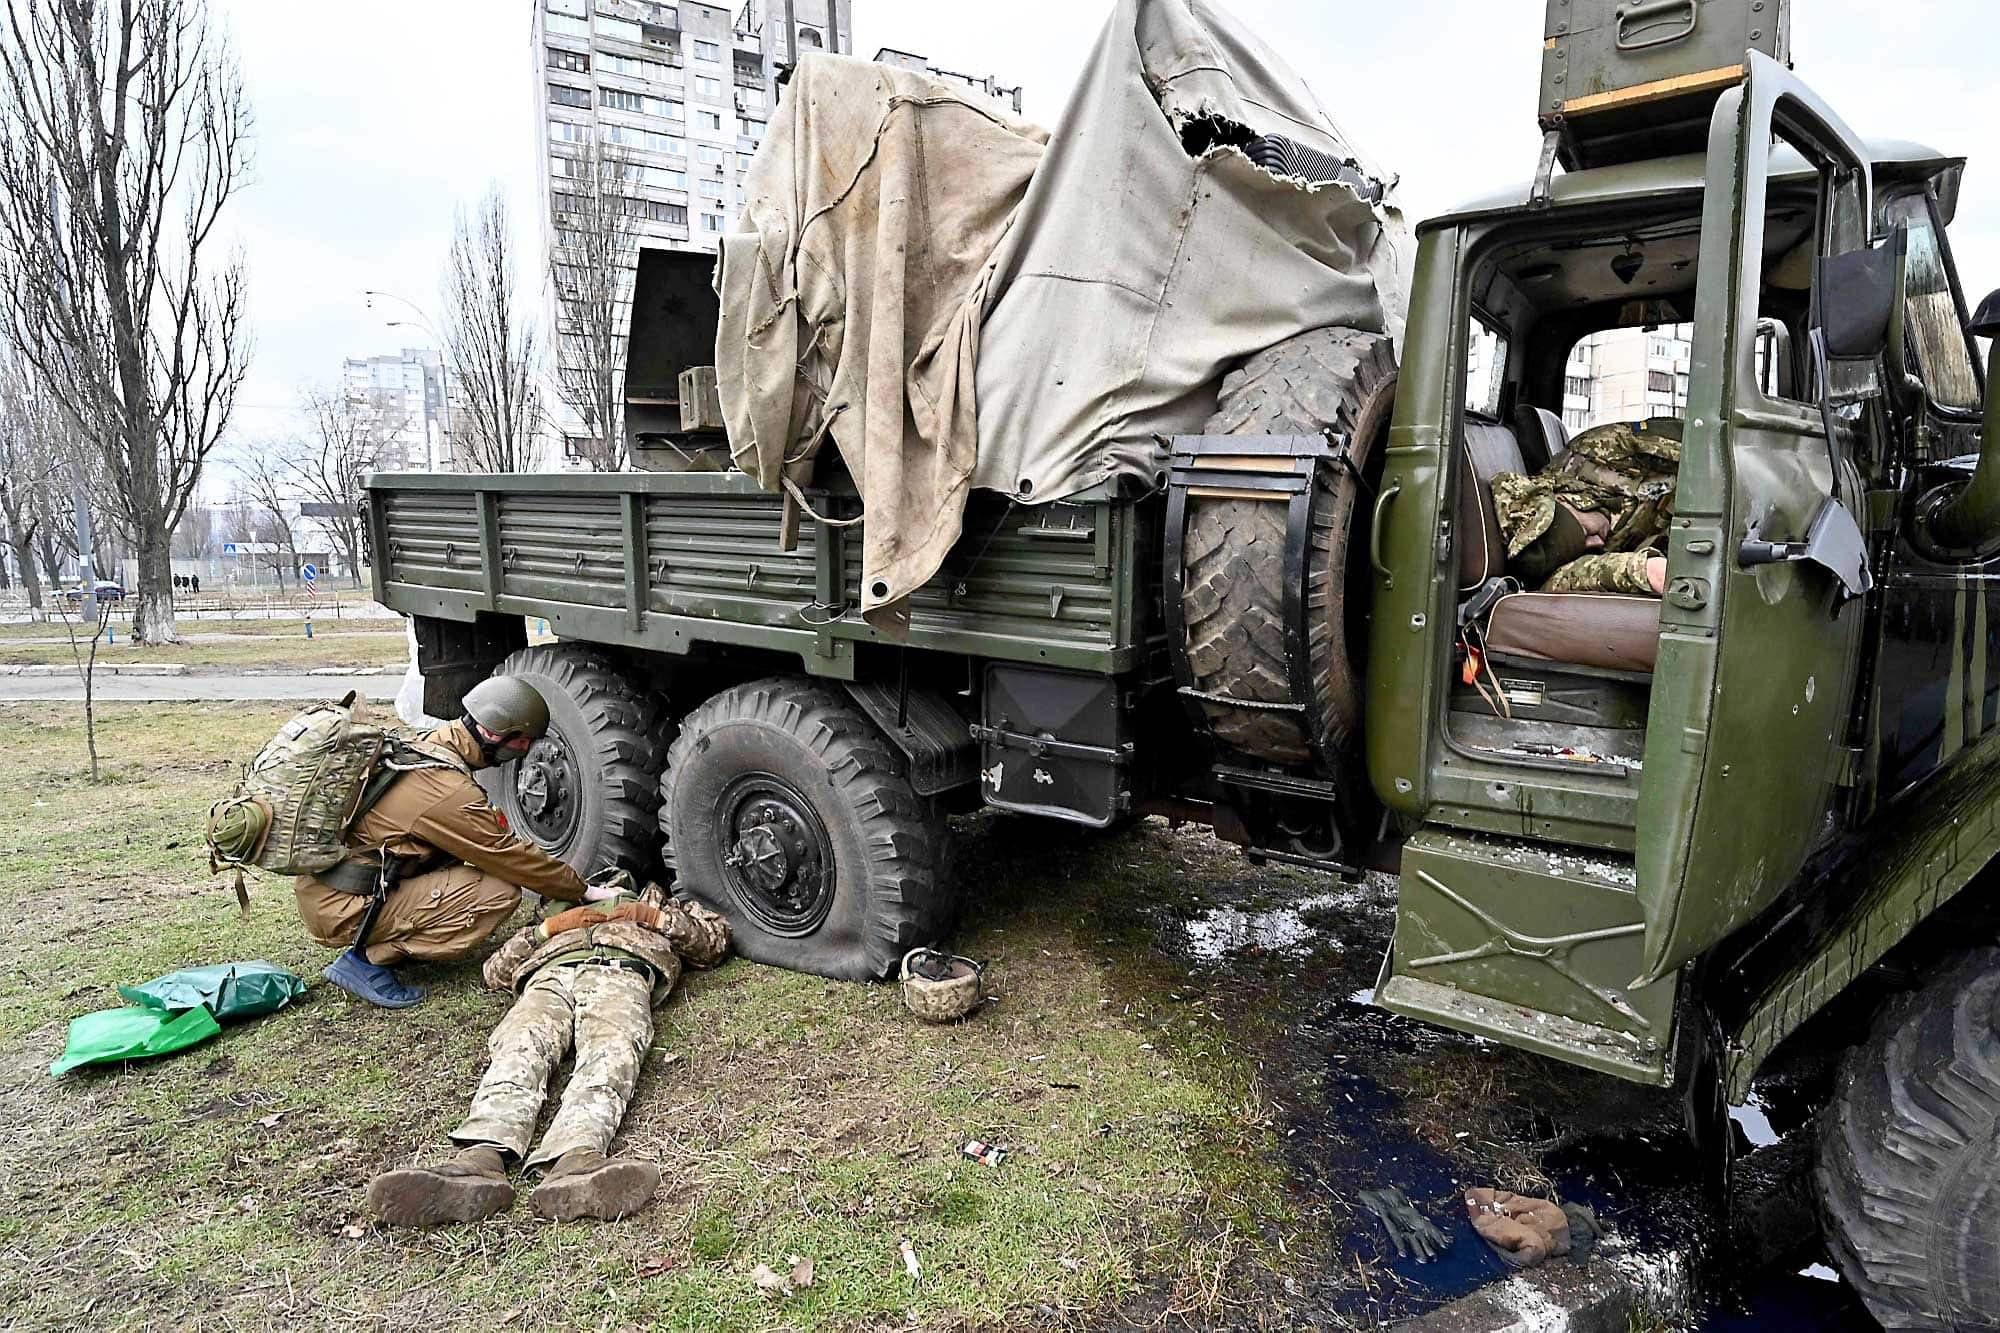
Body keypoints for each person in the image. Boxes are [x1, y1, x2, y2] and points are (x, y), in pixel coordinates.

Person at [366, 887, 730, 1226]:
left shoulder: (659, 900)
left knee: (613, 1047)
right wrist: (547, 930)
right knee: (520, 1045)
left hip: (620, 970)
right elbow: (494, 972)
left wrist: (654, 918)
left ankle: (576, 1159)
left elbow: (713, 945)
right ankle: (478, 1161)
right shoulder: (555, 905)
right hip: (548, 976)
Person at [297, 675, 607, 1008]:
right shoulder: (446, 790)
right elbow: (508, 856)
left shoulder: (429, 745)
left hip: (329, 888)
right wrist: (583, 890)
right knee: (497, 893)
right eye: (522, 741)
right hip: (343, 906)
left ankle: (387, 932)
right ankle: (366, 958)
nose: (525, 751)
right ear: (493, 733)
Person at [1490, 417, 1681, 596]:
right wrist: (1647, 570)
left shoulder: (1597, 452)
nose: (1597, 543)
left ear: (1563, 500)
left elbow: (1692, 441)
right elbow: (1602, 573)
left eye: (1586, 531)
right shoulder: (1555, 569)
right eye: (1585, 549)